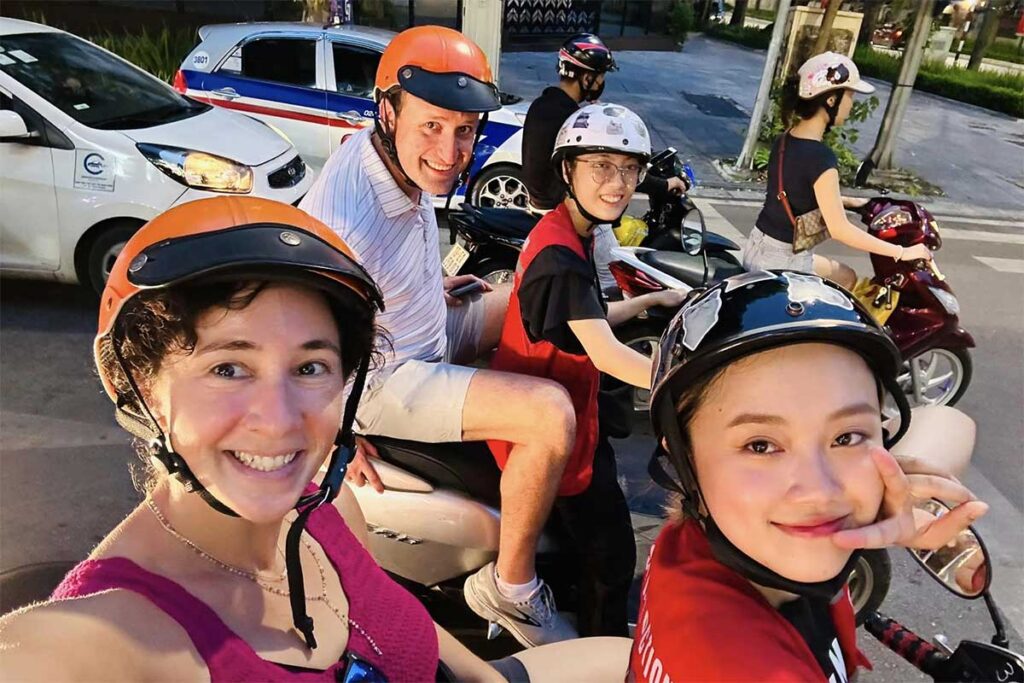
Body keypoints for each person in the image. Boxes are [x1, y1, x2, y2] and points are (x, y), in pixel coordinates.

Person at [0, 196, 513, 681]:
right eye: (228, 368)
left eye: (311, 367)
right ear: (134, 387)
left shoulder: (329, 517)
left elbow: (421, 642)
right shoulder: (101, 639)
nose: (278, 420)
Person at [300, 26, 577, 646]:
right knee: (551, 417)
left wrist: (426, 286)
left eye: (465, 131)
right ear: (389, 110)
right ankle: (511, 586)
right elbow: (293, 336)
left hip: (419, 324)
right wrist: (326, 439)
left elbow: (387, 266)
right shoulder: (346, 221)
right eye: (432, 127)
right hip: (385, 378)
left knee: (534, 303)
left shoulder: (393, 162)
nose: (450, 152)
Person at [630, 270, 989, 682]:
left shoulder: (700, 537)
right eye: (761, 446)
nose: (819, 491)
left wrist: (895, 492)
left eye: (847, 436)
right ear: (684, 458)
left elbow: (948, 420)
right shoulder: (741, 668)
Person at [478, 104, 687, 639]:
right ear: (567, 170)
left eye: (628, 169)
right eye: (600, 166)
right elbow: (609, 354)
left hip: (569, 413)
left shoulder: (568, 234)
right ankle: (598, 654)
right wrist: (690, 383)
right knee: (612, 561)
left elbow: (587, 321)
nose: (617, 185)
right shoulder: (561, 258)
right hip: (555, 436)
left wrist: (652, 300)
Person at [744, 52, 932, 290]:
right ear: (831, 100)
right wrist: (901, 252)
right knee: (833, 314)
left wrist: (851, 202)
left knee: (845, 276)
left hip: (758, 247)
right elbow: (840, 229)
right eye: (850, 95)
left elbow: (798, 191)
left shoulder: (785, 140)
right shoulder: (821, 157)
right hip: (784, 262)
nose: (851, 104)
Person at [521, 33, 687, 292]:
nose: (601, 82)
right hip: (567, 211)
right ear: (586, 78)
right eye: (600, 76)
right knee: (614, 281)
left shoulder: (543, 105)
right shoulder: (574, 122)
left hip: (539, 203)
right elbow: (614, 172)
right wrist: (664, 185)